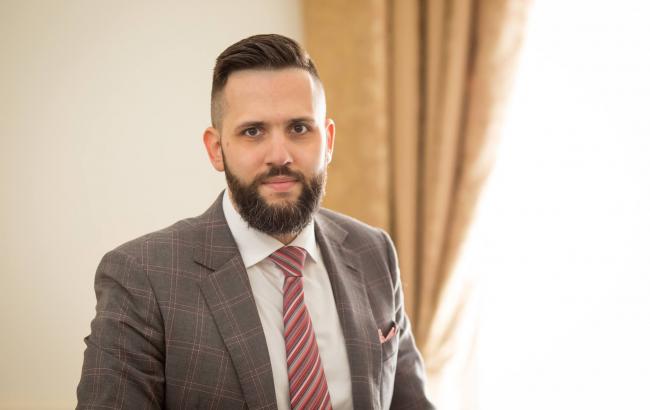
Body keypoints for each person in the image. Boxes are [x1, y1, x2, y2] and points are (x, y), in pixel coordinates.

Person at [77, 34, 434, 410]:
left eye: (299, 128)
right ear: (216, 149)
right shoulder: (142, 277)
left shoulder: (373, 251)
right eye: (253, 132)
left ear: (328, 140)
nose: (279, 155)